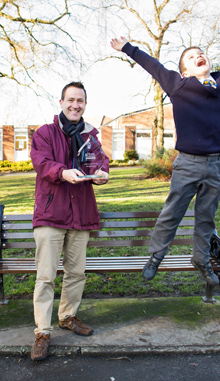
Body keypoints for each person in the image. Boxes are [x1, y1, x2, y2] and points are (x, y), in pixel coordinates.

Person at [110, 35, 220, 284]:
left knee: (206, 215)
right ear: (185, 71)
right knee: (173, 211)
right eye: (191, 56)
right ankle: (156, 255)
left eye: (201, 52)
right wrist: (127, 48)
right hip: (188, 163)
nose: (199, 55)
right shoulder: (179, 85)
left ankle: (201, 258)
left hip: (217, 165)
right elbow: (153, 65)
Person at [30, 81, 109, 361]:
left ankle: (68, 316)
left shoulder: (89, 135)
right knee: (46, 277)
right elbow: (41, 163)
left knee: (76, 273)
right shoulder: (45, 133)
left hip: (81, 215)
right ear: (61, 102)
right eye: (71, 100)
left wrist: (101, 173)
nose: (76, 105)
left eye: (81, 101)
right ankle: (43, 331)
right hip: (51, 215)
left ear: (85, 105)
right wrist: (63, 172)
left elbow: (99, 161)